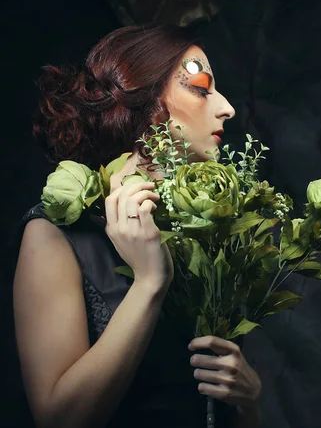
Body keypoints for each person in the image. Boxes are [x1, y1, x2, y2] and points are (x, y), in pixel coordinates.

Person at [13, 25, 262, 428]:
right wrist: (149, 282)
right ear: (145, 103)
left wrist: (249, 404)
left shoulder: (210, 229)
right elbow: (58, 420)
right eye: (201, 87)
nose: (227, 107)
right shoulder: (55, 234)